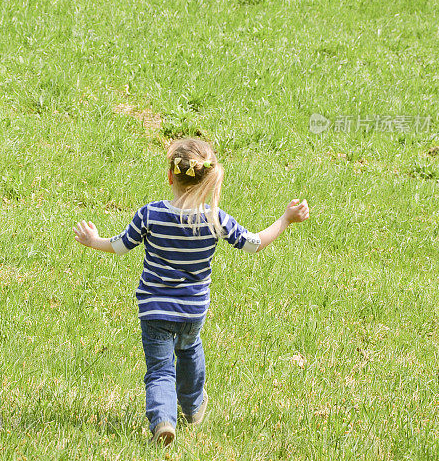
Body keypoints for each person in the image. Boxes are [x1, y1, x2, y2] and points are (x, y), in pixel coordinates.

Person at [73, 138, 309, 445]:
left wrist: (93, 240)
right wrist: (286, 219)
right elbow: (254, 244)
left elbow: (119, 246)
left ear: (170, 176)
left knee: (159, 371)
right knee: (189, 350)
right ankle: (193, 406)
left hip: (154, 310)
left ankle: (163, 421)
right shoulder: (215, 219)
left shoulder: (150, 215)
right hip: (193, 311)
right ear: (209, 179)